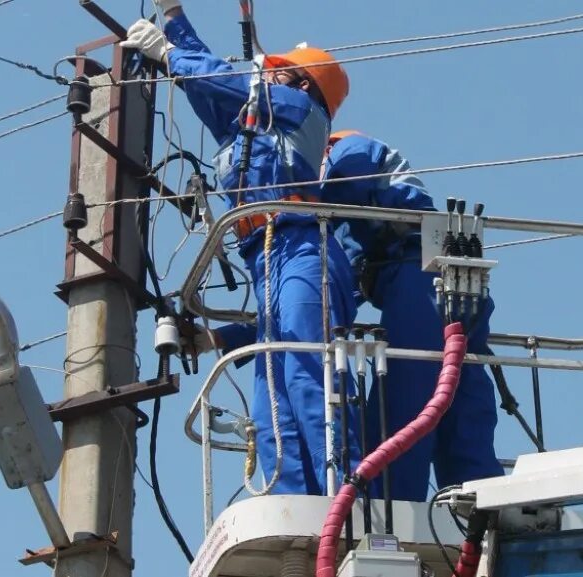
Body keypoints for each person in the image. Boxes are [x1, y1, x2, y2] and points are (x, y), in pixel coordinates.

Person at [123, 0, 359, 496]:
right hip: (268, 261)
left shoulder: (300, 111)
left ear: (302, 83)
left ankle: (347, 499)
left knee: (306, 375)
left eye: (279, 74)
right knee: (271, 396)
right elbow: (209, 88)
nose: (269, 78)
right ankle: (296, 512)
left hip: (301, 248)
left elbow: (224, 83)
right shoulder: (253, 127)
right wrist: (174, 21)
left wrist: (168, 54)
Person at [321, 131, 502, 502]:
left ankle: (391, 510)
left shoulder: (348, 148)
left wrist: (299, 197)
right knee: (463, 406)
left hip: (419, 279)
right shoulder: (355, 221)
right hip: (454, 287)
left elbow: (350, 170)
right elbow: (334, 301)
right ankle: (481, 508)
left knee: (405, 405)